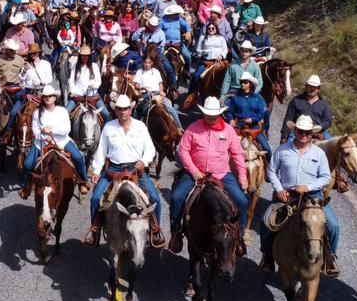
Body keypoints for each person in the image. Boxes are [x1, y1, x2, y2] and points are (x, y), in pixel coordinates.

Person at [260, 115, 341, 277]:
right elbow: (271, 171)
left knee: (333, 225)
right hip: (287, 194)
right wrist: (279, 188)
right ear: (295, 131)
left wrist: (308, 186)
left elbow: (325, 176)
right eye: (300, 131)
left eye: (307, 132)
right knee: (266, 222)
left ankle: (330, 257)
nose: (303, 134)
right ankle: (267, 254)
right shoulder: (282, 150)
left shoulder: (318, 153)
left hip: (313, 195)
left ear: (312, 134)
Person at [84, 95, 166, 249]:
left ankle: (155, 230)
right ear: (115, 110)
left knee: (155, 199)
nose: (122, 112)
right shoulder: (108, 127)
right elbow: (101, 151)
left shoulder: (140, 126)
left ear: (131, 109)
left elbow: (150, 148)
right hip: (114, 169)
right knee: (95, 198)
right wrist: (96, 171)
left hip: (136, 169)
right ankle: (94, 230)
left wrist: (144, 161)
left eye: (125, 108)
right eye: (119, 109)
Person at [171, 97, 249, 249]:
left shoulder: (228, 130)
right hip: (196, 173)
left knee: (242, 202)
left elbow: (237, 154)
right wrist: (193, 170)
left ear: (219, 114)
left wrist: (242, 176)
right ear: (203, 113)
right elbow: (183, 150)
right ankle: (175, 232)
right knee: (176, 197)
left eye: (213, 116)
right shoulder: (193, 128)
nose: (211, 118)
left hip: (221, 174)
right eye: (208, 115)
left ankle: (238, 235)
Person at [20, 85, 89, 196]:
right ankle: (25, 186)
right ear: (43, 98)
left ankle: (83, 182)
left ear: (55, 98)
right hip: (41, 143)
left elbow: (66, 129)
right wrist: (44, 136)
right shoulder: (37, 112)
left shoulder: (62, 111)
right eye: (46, 96)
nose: (48, 98)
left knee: (79, 157)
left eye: (51, 96)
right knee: (28, 164)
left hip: (62, 141)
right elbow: (35, 131)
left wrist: (50, 130)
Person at [280, 74, 334, 143]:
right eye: (310, 86)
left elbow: (328, 121)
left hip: (317, 131)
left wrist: (319, 127)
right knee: (288, 147)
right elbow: (288, 119)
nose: (312, 89)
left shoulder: (323, 104)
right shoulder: (296, 100)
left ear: (318, 89)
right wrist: (283, 137)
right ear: (306, 86)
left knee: (333, 146)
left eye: (315, 87)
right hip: (299, 131)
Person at [224, 75, 271, 154]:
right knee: (224, 148)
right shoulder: (235, 97)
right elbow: (229, 111)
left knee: (267, 149)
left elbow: (261, 113)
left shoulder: (257, 98)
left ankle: (270, 166)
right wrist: (231, 119)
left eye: (245, 82)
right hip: (238, 127)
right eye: (241, 82)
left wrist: (252, 119)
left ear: (250, 84)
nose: (242, 84)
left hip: (254, 127)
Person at [67, 45, 108, 121]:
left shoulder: (94, 66)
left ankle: (105, 132)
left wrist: (93, 85)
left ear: (89, 56)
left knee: (106, 114)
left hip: (93, 95)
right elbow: (71, 81)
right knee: (66, 112)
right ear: (80, 56)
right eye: (83, 55)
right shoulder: (75, 66)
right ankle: (68, 132)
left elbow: (98, 81)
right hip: (78, 95)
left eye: (87, 56)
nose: (85, 57)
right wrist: (73, 92)